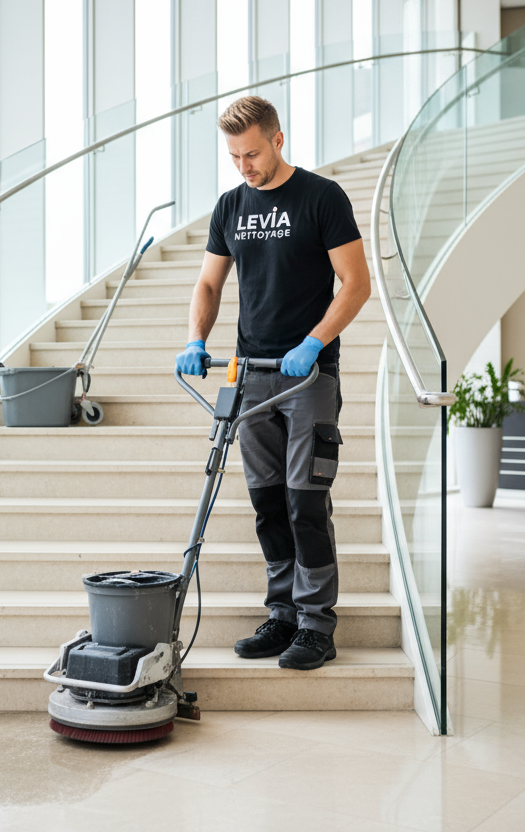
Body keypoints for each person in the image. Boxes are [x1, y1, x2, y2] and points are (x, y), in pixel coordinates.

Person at [175, 95, 371, 670]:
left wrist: (313, 342)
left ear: (278, 140)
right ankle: (282, 612)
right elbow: (209, 284)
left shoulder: (321, 197)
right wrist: (196, 340)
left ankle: (316, 624)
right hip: (249, 374)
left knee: (305, 501)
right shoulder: (230, 206)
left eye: (253, 153)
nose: (244, 165)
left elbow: (355, 284)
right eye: (234, 156)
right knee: (266, 503)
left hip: (307, 376)